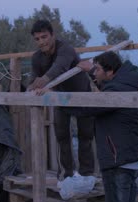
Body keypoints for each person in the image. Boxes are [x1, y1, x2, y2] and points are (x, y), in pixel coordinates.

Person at [71, 51, 138, 202]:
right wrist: (89, 73)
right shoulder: (126, 83)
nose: (95, 72)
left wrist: (58, 97)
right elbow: (104, 91)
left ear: (110, 71)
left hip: (117, 161)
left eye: (98, 69)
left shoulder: (116, 91)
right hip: (130, 158)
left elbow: (86, 108)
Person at [28, 19, 95, 179]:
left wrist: (44, 80)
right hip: (60, 99)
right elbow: (33, 79)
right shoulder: (37, 57)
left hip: (82, 96)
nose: (41, 42)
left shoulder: (65, 49)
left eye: (44, 37)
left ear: (52, 35)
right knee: (62, 136)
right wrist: (31, 87)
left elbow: (60, 66)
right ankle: (66, 174)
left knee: (85, 136)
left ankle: (87, 175)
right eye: (37, 39)